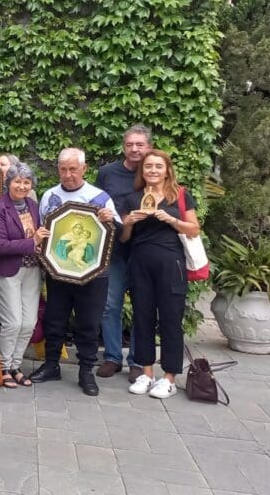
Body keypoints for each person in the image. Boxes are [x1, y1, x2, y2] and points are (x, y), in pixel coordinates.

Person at [29, 148, 120, 396]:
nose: (68, 174)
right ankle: (51, 365)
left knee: (88, 323)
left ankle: (86, 372)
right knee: (54, 319)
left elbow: (117, 234)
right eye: (63, 169)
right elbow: (43, 230)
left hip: (93, 274)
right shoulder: (49, 196)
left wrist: (110, 220)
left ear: (84, 169)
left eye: (73, 169)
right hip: (59, 271)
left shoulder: (100, 197)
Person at [120, 150, 199, 399]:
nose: (153, 170)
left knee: (170, 320)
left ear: (167, 170)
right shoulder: (133, 198)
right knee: (142, 317)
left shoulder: (180, 195)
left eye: (158, 166)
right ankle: (146, 373)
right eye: (148, 166)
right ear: (142, 171)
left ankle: (169, 378)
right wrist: (128, 222)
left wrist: (171, 220)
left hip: (171, 264)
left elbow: (194, 229)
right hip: (140, 263)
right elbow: (124, 238)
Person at [95, 124, 152, 381]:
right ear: (123, 147)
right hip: (114, 250)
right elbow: (96, 202)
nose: (134, 149)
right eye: (130, 144)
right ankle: (112, 358)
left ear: (149, 147)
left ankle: (138, 362)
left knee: (143, 306)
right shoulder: (107, 173)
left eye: (140, 144)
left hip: (145, 250)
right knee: (110, 305)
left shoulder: (154, 172)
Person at [0, 162, 46, 388]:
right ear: (8, 182)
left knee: (29, 323)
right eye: (17, 181)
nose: (22, 186)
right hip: (7, 271)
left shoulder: (33, 206)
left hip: (32, 270)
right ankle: (2, 367)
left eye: (26, 182)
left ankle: (15, 366)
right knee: (12, 322)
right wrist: (33, 242)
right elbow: (0, 245)